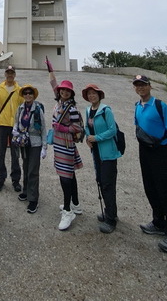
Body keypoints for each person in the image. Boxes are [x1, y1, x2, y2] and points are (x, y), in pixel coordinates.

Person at [133, 74, 167, 254]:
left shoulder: (160, 106)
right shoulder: (137, 106)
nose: (140, 87)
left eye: (143, 84)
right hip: (145, 152)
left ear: (150, 86)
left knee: (166, 191)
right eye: (137, 85)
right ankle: (158, 222)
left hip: (162, 153)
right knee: (150, 188)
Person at [48, 68, 83, 231]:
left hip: (66, 144)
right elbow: (54, 84)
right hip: (59, 144)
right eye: (63, 90)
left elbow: (77, 127)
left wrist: (62, 128)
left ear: (71, 93)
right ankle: (75, 205)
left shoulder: (72, 108)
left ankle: (68, 211)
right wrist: (50, 70)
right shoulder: (59, 103)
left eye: (68, 91)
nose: (64, 92)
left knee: (65, 177)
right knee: (70, 175)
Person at [83, 83, 121, 234]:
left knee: (108, 184)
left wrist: (96, 138)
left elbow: (113, 130)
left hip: (108, 153)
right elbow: (87, 127)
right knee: (100, 181)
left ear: (99, 95)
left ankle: (111, 219)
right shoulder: (88, 111)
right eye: (89, 94)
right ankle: (109, 211)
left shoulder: (106, 110)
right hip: (97, 152)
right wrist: (88, 138)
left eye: (94, 93)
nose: (92, 96)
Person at [12, 85, 47, 214]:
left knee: (33, 170)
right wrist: (15, 129)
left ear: (34, 95)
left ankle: (33, 199)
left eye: (30, 93)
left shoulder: (38, 109)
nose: (28, 95)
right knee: (25, 167)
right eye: (25, 93)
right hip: (23, 141)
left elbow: (43, 128)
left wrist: (44, 146)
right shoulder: (21, 108)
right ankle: (26, 191)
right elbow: (16, 121)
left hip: (35, 143)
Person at [0, 65, 22, 192]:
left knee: (15, 153)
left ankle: (16, 180)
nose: (10, 75)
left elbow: (22, 105)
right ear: (5, 74)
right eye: (8, 73)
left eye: (12, 73)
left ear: (14, 75)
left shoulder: (19, 90)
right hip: (3, 124)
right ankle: (0, 179)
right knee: (1, 152)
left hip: (14, 125)